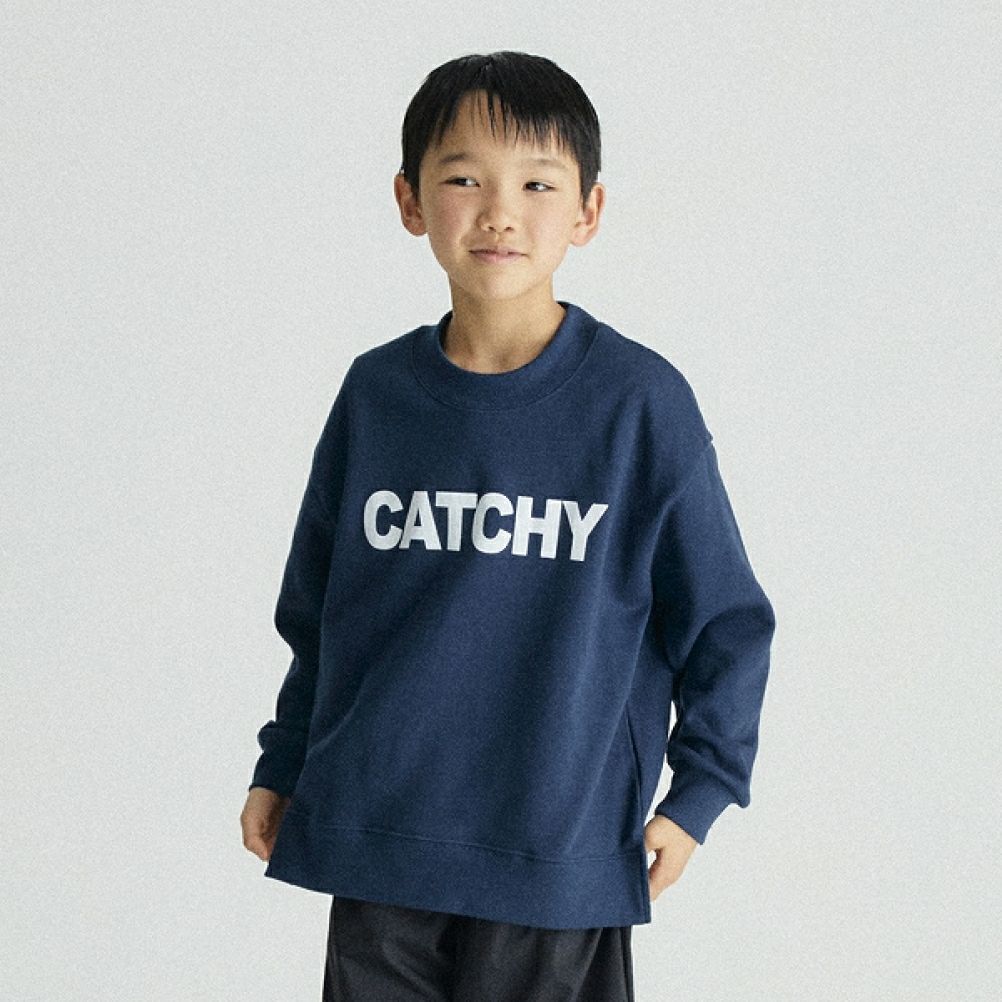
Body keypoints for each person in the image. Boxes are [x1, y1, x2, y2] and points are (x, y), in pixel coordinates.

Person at [240, 50, 776, 1002]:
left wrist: (698, 795)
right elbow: (320, 613)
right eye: (464, 180)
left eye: (537, 183)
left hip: (554, 855)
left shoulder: (639, 406)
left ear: (588, 212)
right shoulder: (377, 395)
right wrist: (282, 763)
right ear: (410, 201)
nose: (499, 211)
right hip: (380, 840)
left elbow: (727, 624)